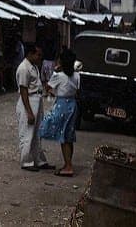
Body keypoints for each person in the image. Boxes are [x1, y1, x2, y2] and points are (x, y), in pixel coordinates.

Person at [39, 49, 80, 177]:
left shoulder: (58, 76)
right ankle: (68, 163)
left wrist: (56, 71)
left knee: (63, 137)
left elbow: (47, 87)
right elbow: (77, 91)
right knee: (69, 135)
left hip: (62, 105)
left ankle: (68, 166)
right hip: (72, 104)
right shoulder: (77, 75)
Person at [15, 43, 54, 172]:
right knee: (27, 133)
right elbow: (23, 90)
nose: (39, 57)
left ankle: (39, 160)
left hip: (37, 99)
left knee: (38, 133)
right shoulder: (24, 68)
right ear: (30, 54)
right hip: (29, 100)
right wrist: (29, 112)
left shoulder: (34, 67)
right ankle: (26, 161)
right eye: (38, 54)